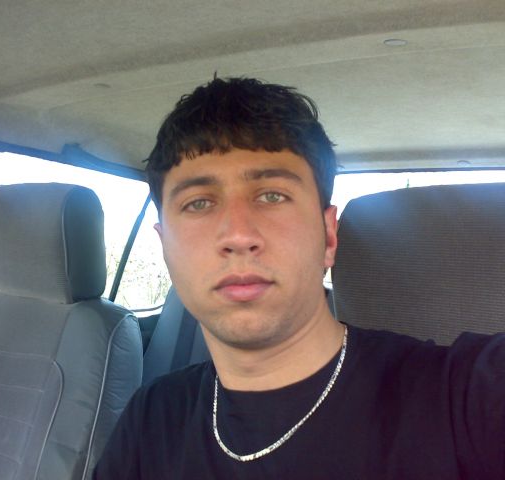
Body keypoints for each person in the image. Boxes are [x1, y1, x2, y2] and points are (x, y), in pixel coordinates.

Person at [93, 77, 504, 479]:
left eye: (272, 195)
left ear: (328, 236)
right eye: (198, 203)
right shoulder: (151, 417)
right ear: (165, 246)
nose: (238, 235)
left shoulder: (463, 396)